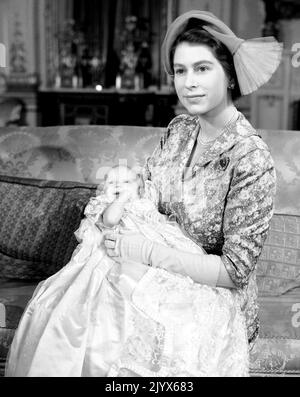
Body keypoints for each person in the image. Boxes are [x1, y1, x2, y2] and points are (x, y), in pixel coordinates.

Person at [103, 9, 282, 375]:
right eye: (180, 71)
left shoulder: (250, 157)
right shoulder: (181, 128)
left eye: (202, 68)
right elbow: (151, 191)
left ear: (229, 75)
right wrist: (126, 193)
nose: (189, 83)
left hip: (213, 301)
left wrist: (146, 250)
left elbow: (234, 272)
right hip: (159, 280)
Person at [5, 164, 248, 377]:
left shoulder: (144, 205)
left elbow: (160, 225)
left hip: (143, 252)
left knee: (177, 287)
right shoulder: (107, 205)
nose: (118, 185)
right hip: (113, 255)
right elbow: (110, 221)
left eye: (126, 182)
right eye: (112, 181)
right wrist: (118, 200)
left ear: (139, 187)